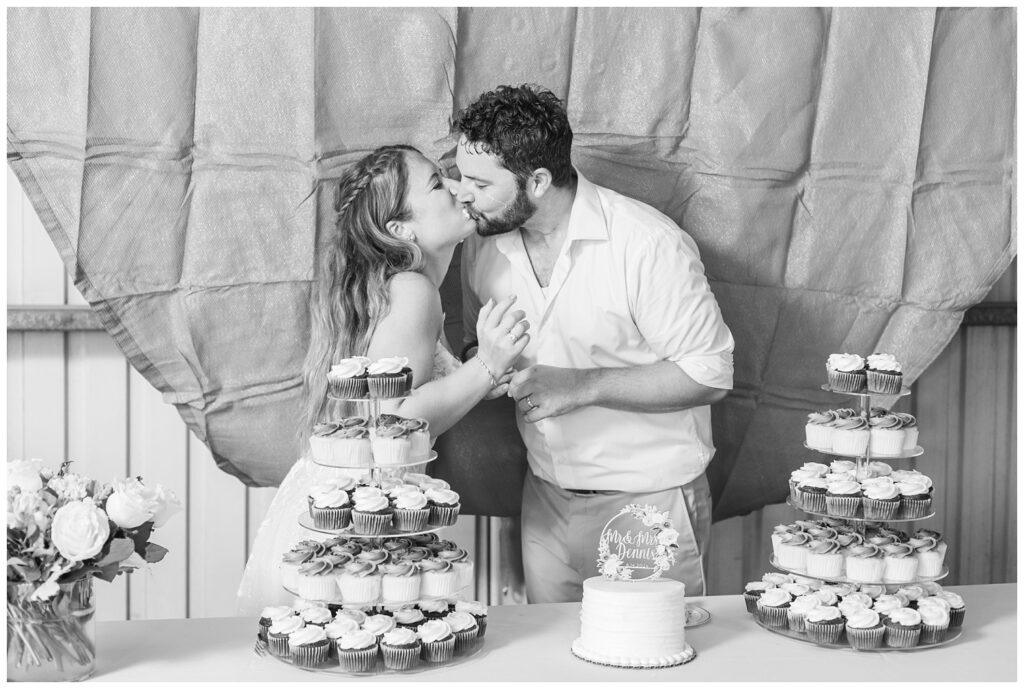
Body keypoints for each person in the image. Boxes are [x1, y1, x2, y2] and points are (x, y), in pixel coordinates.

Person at [455, 85, 735, 604]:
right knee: (553, 668)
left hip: (647, 503)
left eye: (477, 182)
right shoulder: (482, 244)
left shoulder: (647, 244)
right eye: (459, 177)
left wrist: (581, 386)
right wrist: (485, 369)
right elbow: (479, 344)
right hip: (544, 498)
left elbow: (710, 374)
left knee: (648, 664)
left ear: (537, 181)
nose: (461, 193)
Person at [236, 145, 530, 614]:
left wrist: (481, 378)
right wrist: (485, 367)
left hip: (340, 507)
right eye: (438, 183)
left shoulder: (394, 286)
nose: (458, 188)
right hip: (358, 527)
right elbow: (390, 420)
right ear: (400, 229)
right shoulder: (413, 291)